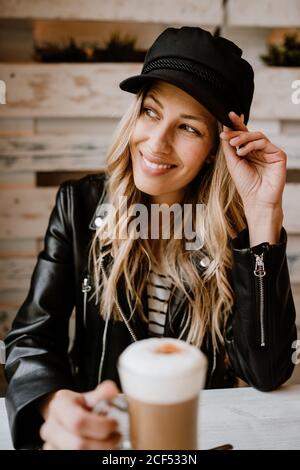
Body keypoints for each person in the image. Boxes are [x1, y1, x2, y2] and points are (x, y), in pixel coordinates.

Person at [4, 26, 297, 450]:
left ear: (218, 147)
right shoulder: (80, 206)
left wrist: (264, 215)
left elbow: (268, 372)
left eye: (189, 128)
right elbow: (32, 338)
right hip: (101, 439)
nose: (156, 144)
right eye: (151, 112)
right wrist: (55, 404)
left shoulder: (243, 234)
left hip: (199, 437)